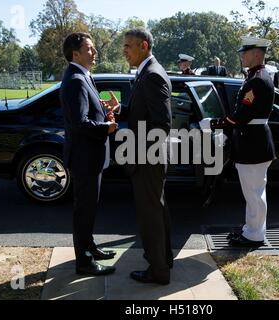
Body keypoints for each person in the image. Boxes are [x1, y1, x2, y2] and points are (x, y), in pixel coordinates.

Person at [60, 32, 119, 276]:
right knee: (84, 210)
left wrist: (107, 112)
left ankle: (90, 247)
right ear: (76, 54)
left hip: (91, 156)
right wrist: (107, 127)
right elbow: (79, 123)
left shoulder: (84, 76)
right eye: (90, 49)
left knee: (89, 208)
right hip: (84, 158)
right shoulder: (75, 79)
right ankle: (84, 262)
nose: (95, 52)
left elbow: (88, 113)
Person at [211, 36, 276, 247]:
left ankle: (255, 235)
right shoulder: (257, 76)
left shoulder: (258, 79)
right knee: (253, 192)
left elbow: (242, 115)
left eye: (245, 52)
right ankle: (251, 230)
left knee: (254, 193)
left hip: (253, 143)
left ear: (257, 53)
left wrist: (215, 124)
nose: (241, 55)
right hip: (252, 141)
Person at [122, 28, 174, 285]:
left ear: (144, 46)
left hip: (148, 158)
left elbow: (162, 124)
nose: (125, 51)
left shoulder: (152, 75)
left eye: (128, 46)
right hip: (150, 157)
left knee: (150, 215)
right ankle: (163, 259)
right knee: (157, 211)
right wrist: (120, 110)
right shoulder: (146, 72)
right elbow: (142, 112)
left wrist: (139, 156)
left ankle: (158, 271)